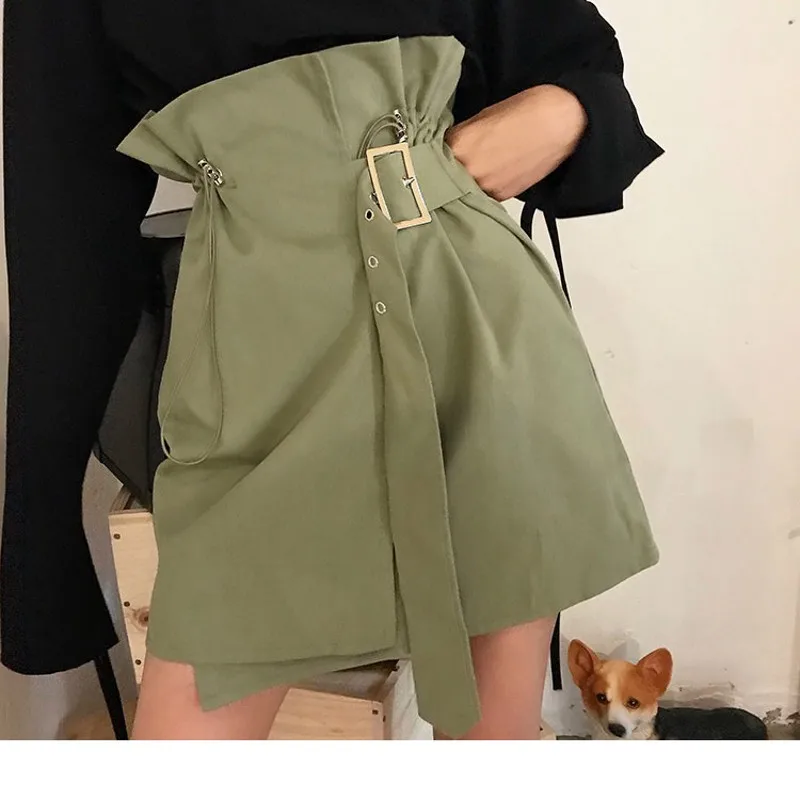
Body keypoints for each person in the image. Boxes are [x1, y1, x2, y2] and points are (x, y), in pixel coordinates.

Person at [2, 0, 662, 740]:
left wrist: (568, 111)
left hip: (473, 325)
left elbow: (576, 58)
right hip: (262, 367)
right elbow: (64, 223)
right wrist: (42, 519)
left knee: (493, 729)